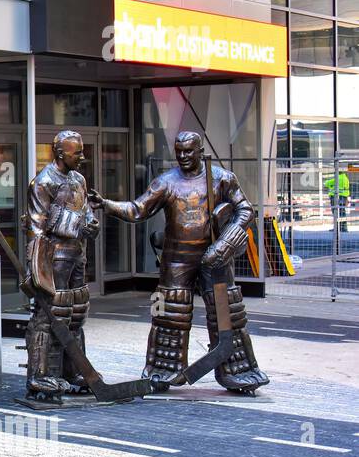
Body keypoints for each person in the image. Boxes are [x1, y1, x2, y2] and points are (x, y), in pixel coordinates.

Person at [89, 132, 268, 394]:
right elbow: (138, 209)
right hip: (176, 260)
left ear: (200, 150)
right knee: (166, 315)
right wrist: (107, 204)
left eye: (188, 151)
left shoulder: (222, 178)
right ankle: (163, 369)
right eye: (179, 151)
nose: (183, 156)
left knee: (227, 316)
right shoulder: (166, 181)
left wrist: (226, 242)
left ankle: (239, 370)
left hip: (215, 257)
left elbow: (245, 210)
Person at [23, 130, 98, 401]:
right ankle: (40, 376)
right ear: (60, 153)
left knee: (76, 312)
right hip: (54, 257)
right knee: (48, 315)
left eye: (81, 150)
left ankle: (74, 370)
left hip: (78, 253)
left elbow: (86, 210)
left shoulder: (79, 179)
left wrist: (90, 223)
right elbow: (36, 228)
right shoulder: (43, 183)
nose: (82, 156)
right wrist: (36, 269)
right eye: (76, 152)